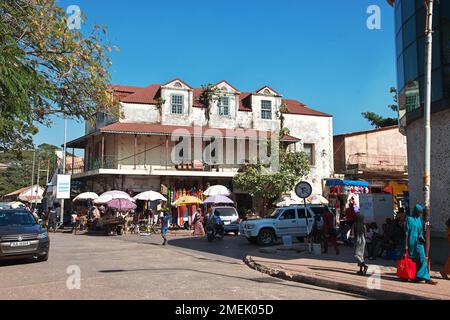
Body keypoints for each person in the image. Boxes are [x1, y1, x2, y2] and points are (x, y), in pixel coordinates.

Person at [404, 204, 436, 285]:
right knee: (414, 261)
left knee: (422, 258)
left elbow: (420, 231)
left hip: (419, 243)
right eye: (419, 212)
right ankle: (415, 277)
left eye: (421, 212)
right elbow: (406, 233)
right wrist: (406, 245)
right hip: (411, 243)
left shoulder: (419, 220)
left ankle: (426, 278)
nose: (420, 214)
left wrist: (421, 236)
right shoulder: (409, 219)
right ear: (415, 211)